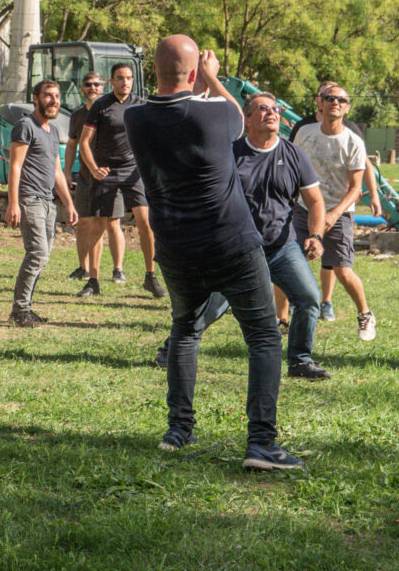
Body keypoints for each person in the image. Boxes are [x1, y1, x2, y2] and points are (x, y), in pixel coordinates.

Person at [125, 35, 304, 471]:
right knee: (262, 336)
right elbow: (237, 120)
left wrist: (195, 79)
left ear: (154, 71)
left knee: (186, 331)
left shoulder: (135, 118)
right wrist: (214, 78)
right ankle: (261, 443)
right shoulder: (220, 110)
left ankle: (178, 429)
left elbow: (178, 109)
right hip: (231, 244)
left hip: (175, 247)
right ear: (193, 72)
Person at [154, 91, 330, 380]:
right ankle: (171, 349)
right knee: (212, 307)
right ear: (247, 118)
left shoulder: (293, 153)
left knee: (309, 297)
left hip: (281, 247)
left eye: (275, 109)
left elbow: (315, 201)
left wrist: (315, 235)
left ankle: (300, 361)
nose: (272, 113)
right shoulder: (230, 154)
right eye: (263, 109)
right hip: (237, 249)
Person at [283, 79, 382, 325]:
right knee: (286, 262)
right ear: (320, 103)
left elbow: (355, 188)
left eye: (341, 100)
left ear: (347, 108)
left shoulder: (353, 140)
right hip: (304, 209)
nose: (335, 102)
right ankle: (281, 320)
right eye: (330, 98)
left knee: (342, 270)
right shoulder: (305, 132)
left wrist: (334, 214)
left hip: (339, 212)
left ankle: (365, 314)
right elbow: (291, 168)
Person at [79, 63, 165, 299]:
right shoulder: (100, 105)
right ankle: (93, 281)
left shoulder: (140, 105)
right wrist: (94, 168)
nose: (125, 82)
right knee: (99, 225)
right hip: (106, 171)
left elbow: (153, 138)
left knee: (145, 222)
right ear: (111, 81)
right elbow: (84, 141)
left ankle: (151, 276)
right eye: (120, 78)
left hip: (133, 171)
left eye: (128, 78)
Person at [7, 79, 78, 327]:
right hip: (29, 199)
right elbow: (14, 167)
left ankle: (25, 307)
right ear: (35, 98)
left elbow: (57, 170)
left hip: (48, 201)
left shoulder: (53, 130)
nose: (54, 100)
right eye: (48, 95)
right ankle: (20, 310)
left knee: (43, 256)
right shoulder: (25, 126)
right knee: (37, 253)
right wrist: (13, 203)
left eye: (57, 96)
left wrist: (68, 203)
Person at [65, 72, 127, 290]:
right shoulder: (77, 116)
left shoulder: (114, 110)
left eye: (96, 84)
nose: (92, 88)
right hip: (85, 176)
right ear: (82, 88)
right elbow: (72, 145)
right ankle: (84, 268)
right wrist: (66, 171)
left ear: (104, 86)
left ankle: (118, 269)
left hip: (110, 176)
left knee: (112, 223)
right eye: (88, 84)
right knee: (83, 223)